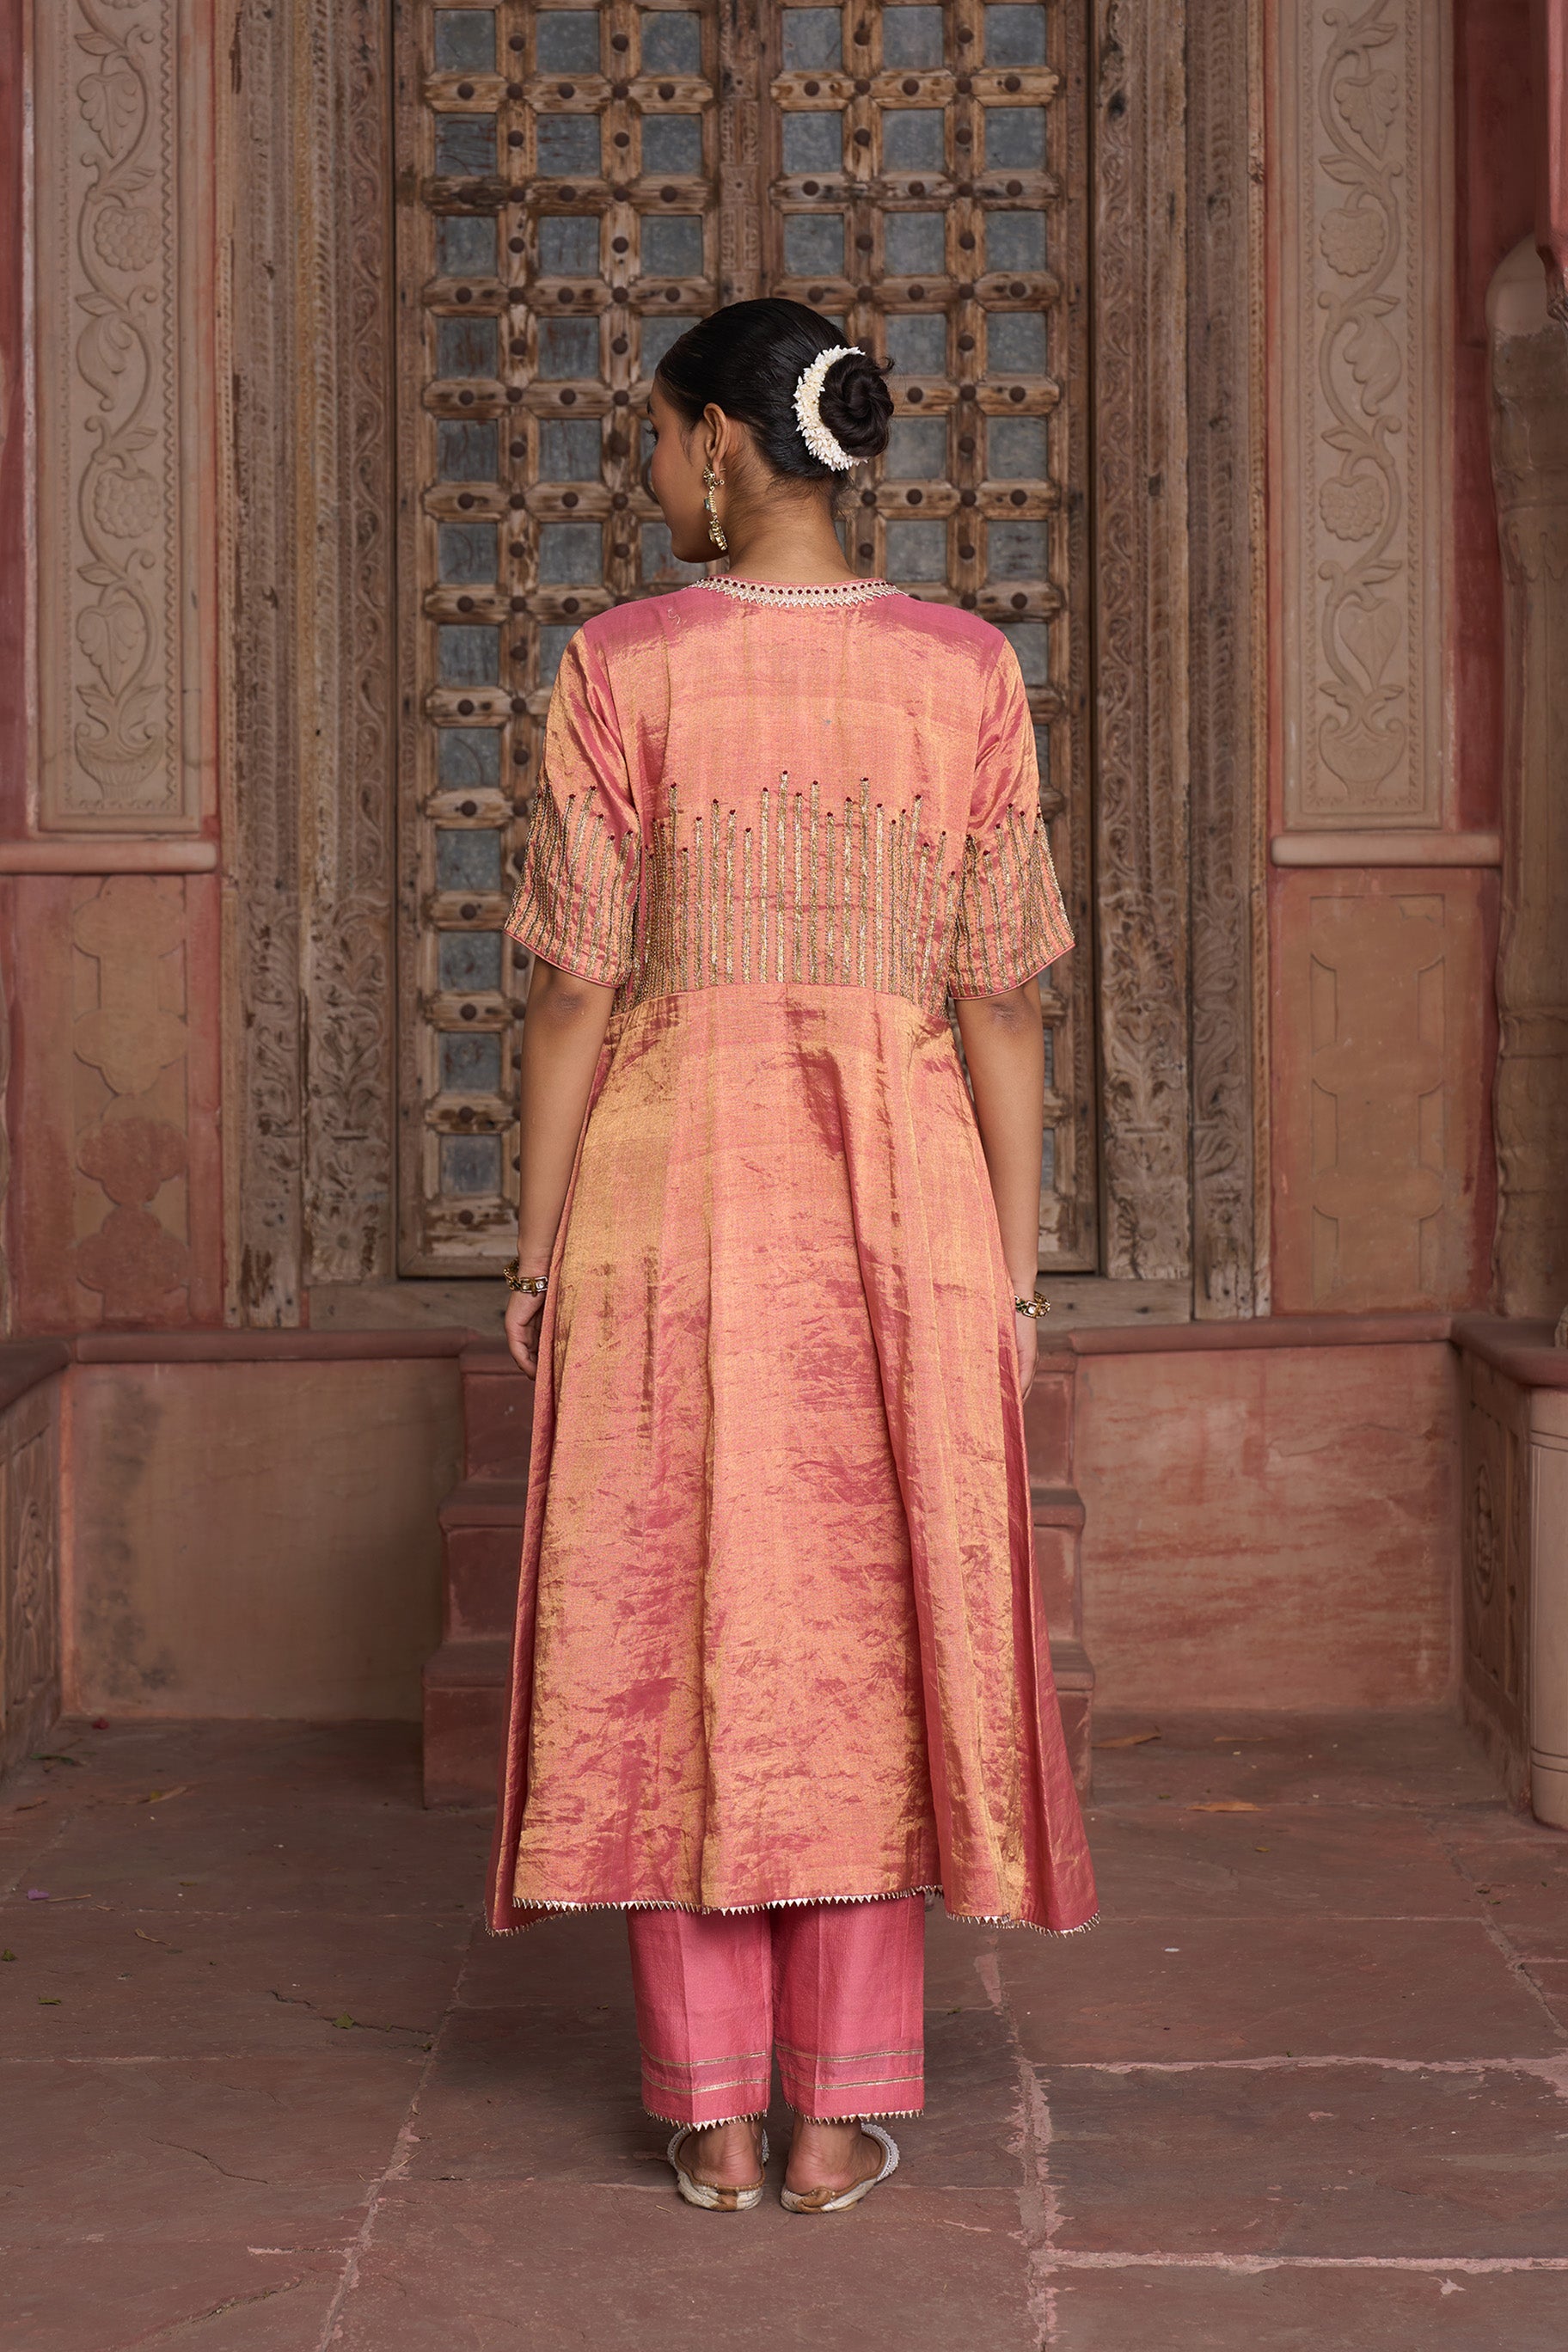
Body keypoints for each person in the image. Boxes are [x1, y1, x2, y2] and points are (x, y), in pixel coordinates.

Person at [487, 297, 1096, 2216]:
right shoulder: (964, 671)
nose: (653, 476)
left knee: (672, 1615)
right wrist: (1013, 1273)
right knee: (870, 1625)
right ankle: (837, 2117)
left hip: (666, 1203)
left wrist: (535, 1250)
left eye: (659, 442)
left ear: (726, 448)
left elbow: (573, 990)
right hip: (906, 1211)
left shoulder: (623, 663)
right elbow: (1005, 1001)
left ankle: (710, 2115)